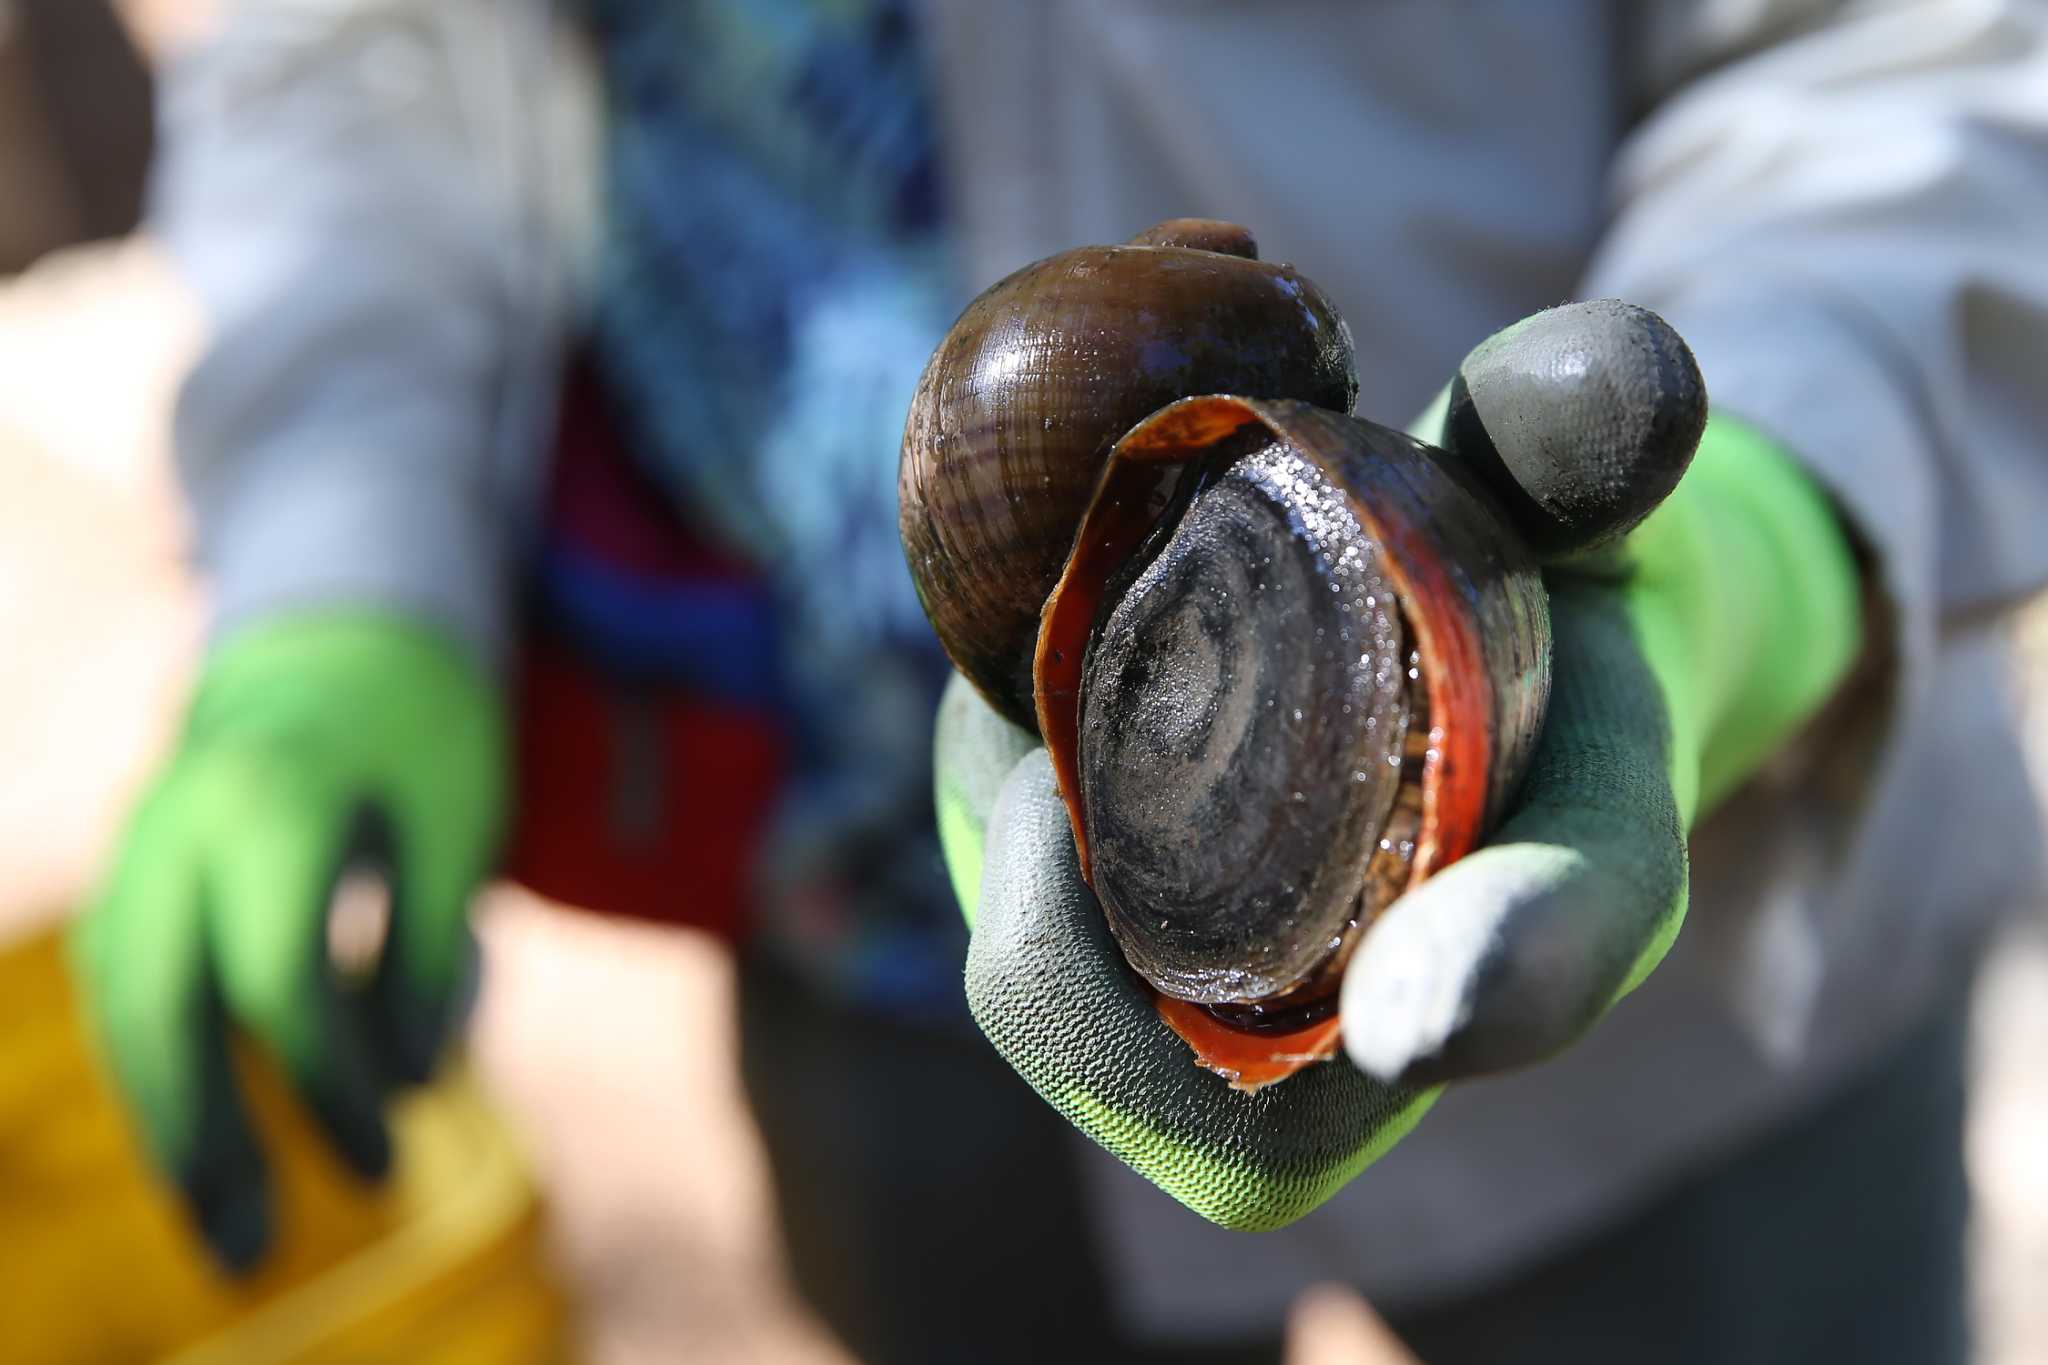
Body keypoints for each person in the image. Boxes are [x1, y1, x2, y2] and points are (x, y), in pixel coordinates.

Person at [78, 1, 2048, 1361]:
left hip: (1693, 953)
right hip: (870, 881)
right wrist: (343, 577)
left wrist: (1776, 519)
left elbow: (1918, 51)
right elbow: (358, 54)